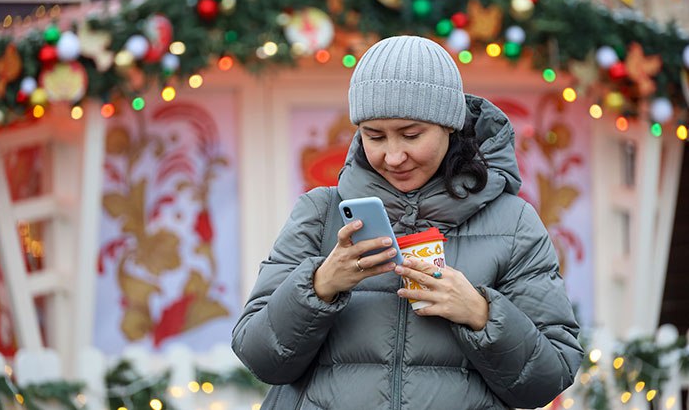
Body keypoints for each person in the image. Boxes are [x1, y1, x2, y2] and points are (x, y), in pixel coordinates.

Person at [232, 35, 583, 409]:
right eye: (375, 136)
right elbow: (259, 357)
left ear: (448, 125)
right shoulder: (320, 214)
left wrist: (482, 314)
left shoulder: (513, 223)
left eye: (411, 134)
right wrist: (319, 286)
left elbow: (549, 377)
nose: (394, 156)